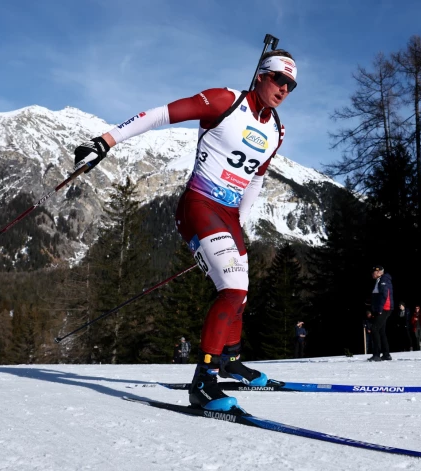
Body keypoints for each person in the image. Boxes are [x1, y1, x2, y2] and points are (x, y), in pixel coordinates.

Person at [72, 49, 298, 411]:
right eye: (278, 79)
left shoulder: (276, 129)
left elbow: (256, 176)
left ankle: (230, 360)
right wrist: (107, 140)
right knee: (232, 288)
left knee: (241, 293)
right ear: (260, 76)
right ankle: (204, 382)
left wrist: (242, 217)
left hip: (229, 215)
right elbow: (163, 113)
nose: (284, 88)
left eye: (291, 84)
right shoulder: (225, 100)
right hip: (199, 205)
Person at [368, 265, 394, 361]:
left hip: (384, 308)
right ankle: (386, 354)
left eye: (374, 272)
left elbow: (384, 295)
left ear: (379, 272)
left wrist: (379, 309)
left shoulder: (383, 280)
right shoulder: (379, 280)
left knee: (374, 329)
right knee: (381, 331)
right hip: (383, 308)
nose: (372, 274)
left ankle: (377, 354)